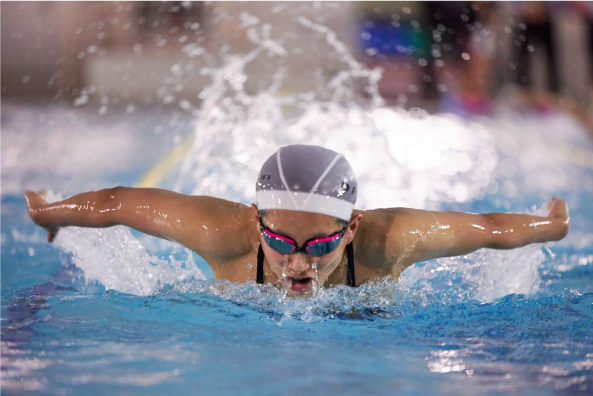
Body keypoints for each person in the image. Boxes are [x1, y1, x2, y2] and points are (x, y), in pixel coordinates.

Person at [25, 145, 570, 297]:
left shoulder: (392, 240)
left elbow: (491, 229)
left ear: (352, 228)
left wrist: (550, 224)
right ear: (257, 219)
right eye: (280, 239)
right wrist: (51, 212)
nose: (299, 262)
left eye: (322, 243)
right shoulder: (219, 233)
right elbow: (119, 203)